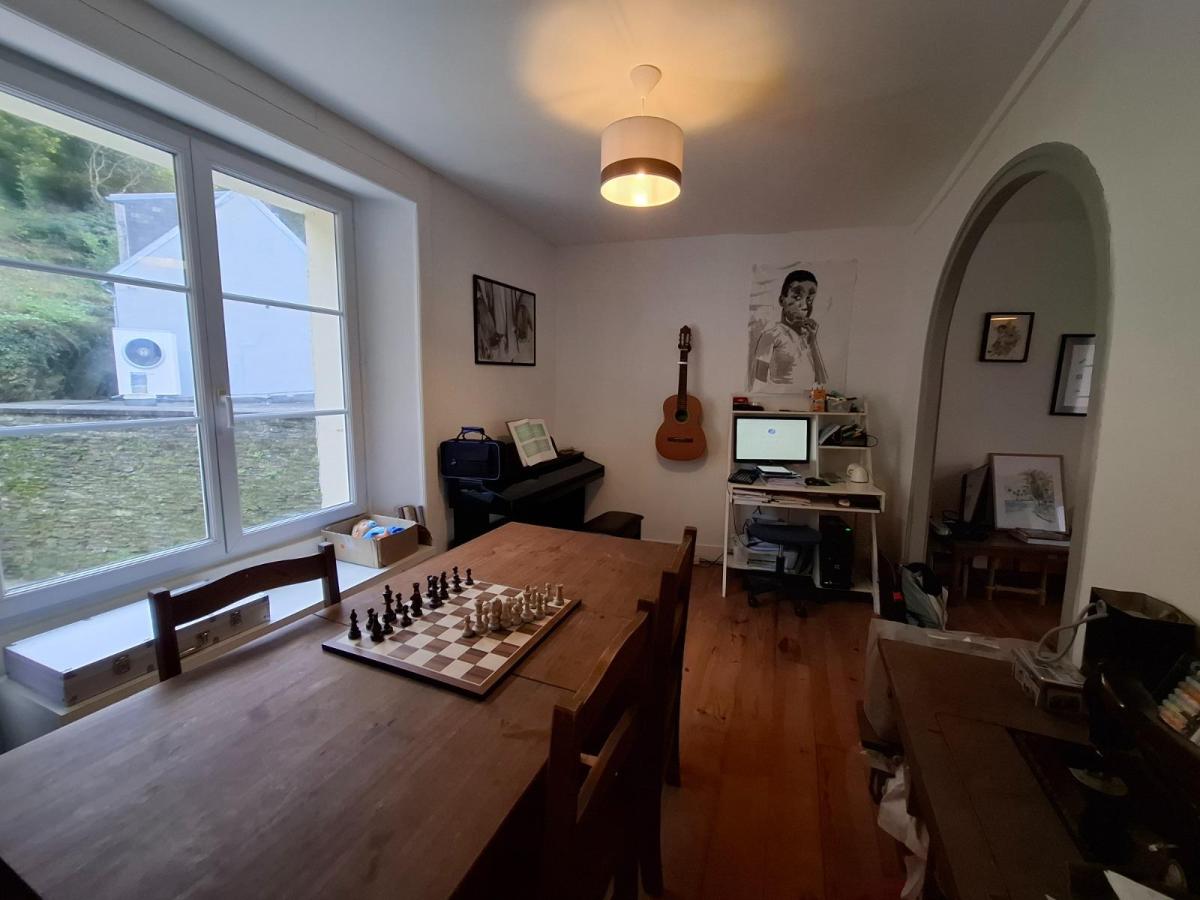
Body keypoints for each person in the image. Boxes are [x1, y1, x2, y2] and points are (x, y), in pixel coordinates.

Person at [749, 269, 828, 389]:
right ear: (782, 300)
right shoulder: (771, 335)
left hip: (806, 399)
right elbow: (759, 382)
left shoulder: (808, 338)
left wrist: (813, 341)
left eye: (810, 300)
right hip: (779, 399)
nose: (805, 306)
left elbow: (822, 383)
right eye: (797, 297)